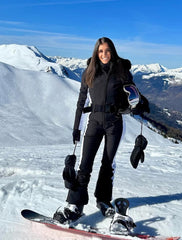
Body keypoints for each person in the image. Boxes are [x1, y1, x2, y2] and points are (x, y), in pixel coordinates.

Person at [53, 37, 149, 223]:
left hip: (114, 123)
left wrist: (139, 105)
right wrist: (76, 128)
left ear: (112, 51)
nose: (104, 54)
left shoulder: (122, 71)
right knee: (84, 164)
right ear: (96, 53)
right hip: (94, 122)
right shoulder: (89, 73)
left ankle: (103, 201)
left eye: (107, 51)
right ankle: (75, 204)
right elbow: (82, 102)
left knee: (108, 163)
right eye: (100, 51)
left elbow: (133, 94)